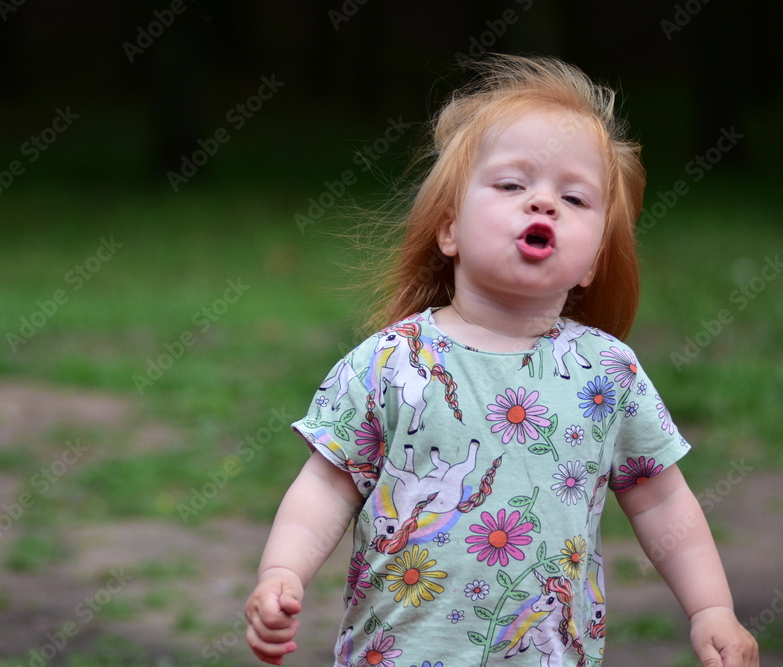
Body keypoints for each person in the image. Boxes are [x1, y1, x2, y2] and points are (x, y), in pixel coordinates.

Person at [245, 55, 759, 666]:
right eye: (512, 185)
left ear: (594, 260)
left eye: (574, 197)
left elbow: (662, 501)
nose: (543, 203)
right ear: (449, 229)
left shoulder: (606, 373)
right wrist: (282, 573)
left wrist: (711, 609)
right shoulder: (392, 362)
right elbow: (328, 486)